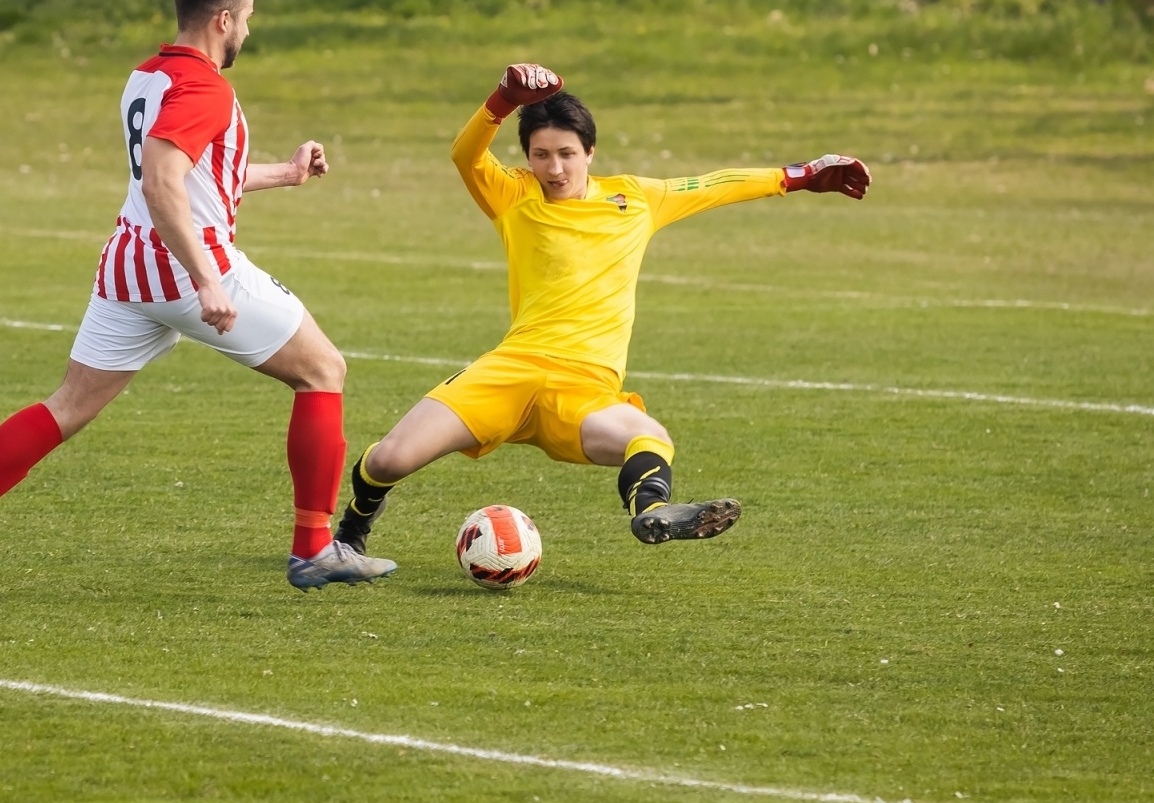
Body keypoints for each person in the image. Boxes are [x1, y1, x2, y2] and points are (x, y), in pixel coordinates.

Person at [0, 0, 397, 595]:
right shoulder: (206, 88)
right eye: (246, 19)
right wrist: (207, 280)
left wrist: (286, 173)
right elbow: (163, 181)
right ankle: (313, 549)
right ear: (223, 20)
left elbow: (194, 174)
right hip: (186, 267)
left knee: (67, 407)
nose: (247, 29)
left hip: (128, 268)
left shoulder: (150, 76)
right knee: (323, 370)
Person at [334, 64, 870, 563]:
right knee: (389, 461)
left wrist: (799, 176)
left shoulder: (634, 199)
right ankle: (351, 535)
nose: (554, 168)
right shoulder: (514, 195)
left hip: (586, 389)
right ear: (527, 158)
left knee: (650, 436)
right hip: (511, 371)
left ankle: (651, 513)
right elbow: (465, 155)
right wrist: (501, 102)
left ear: (590, 151)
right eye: (540, 155)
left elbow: (714, 185)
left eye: (566, 153)